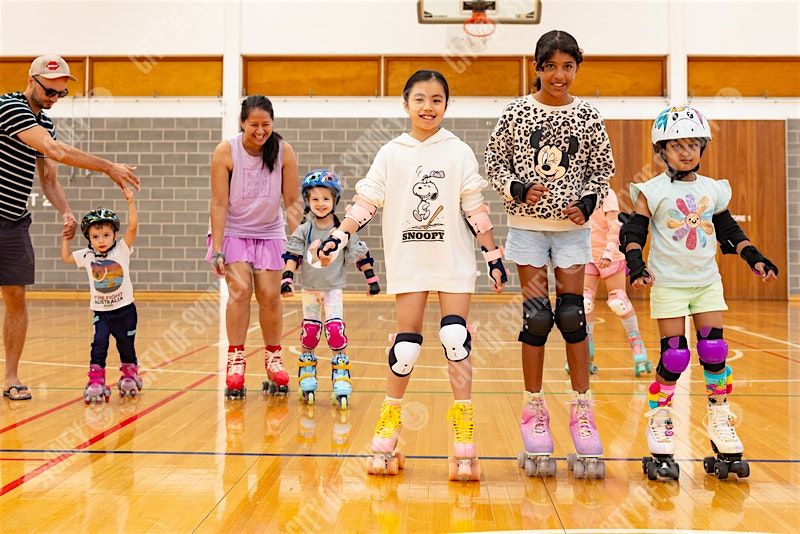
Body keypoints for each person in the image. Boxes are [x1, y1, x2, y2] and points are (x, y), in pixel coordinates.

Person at [317, 70, 507, 480]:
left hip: (452, 258)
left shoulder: (457, 151)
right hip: (408, 260)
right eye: (419, 99)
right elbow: (367, 200)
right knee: (406, 347)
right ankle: (390, 422)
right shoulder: (392, 152)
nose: (428, 107)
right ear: (405, 105)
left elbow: (475, 207)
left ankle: (464, 428)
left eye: (437, 100)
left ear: (446, 105)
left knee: (456, 338)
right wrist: (339, 234)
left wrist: (492, 253)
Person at [621, 105, 778, 481]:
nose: (686, 152)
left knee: (714, 350)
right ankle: (660, 420)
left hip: (707, 281)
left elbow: (729, 231)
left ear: (702, 148)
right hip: (669, 284)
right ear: (662, 151)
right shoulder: (652, 190)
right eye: (677, 145)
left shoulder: (713, 189)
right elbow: (634, 233)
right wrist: (636, 265)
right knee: (674, 356)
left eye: (693, 144)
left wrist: (753, 257)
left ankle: (720, 418)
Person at [485, 30, 613, 479]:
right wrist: (516, 187)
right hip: (529, 232)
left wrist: (591, 202)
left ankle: (583, 410)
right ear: (537, 67)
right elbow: (494, 163)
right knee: (538, 317)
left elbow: (602, 170)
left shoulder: (589, 116)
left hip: (572, 235)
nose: (559, 75)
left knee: (574, 318)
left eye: (568, 67)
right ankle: (533, 410)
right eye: (551, 66)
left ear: (577, 69)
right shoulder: (517, 112)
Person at [1, 54, 140, 401]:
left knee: (16, 297)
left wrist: (66, 211)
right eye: (50, 91)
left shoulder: (45, 123)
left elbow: (48, 178)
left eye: (61, 93)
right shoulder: (9, 107)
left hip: (15, 222)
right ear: (32, 81)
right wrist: (107, 166)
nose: (54, 99)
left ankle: (11, 377)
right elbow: (53, 149)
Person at [208, 95, 300, 399]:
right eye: (254, 125)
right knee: (240, 292)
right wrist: (218, 246)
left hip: (269, 232)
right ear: (242, 123)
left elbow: (292, 201)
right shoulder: (226, 151)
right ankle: (235, 359)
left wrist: (299, 243)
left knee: (271, 296)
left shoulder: (283, 150)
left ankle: (274, 357)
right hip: (234, 232)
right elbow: (219, 201)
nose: (260, 131)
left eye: (266, 125)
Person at [281, 168, 380, 409]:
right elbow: (293, 254)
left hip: (333, 289)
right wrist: (287, 279)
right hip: (310, 289)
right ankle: (307, 369)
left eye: (326, 198)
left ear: (335, 200)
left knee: (335, 331)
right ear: (308, 201)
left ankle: (340, 372)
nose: (320, 203)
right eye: (315, 199)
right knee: (310, 332)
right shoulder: (304, 230)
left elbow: (360, 254)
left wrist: (371, 280)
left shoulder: (342, 231)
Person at [61, 189, 141, 402]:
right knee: (99, 343)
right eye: (95, 237)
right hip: (102, 312)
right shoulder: (87, 255)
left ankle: (129, 375)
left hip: (125, 309)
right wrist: (66, 238)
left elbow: (133, 226)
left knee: (125, 344)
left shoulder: (122, 250)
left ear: (115, 234)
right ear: (89, 238)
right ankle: (96, 380)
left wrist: (131, 202)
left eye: (106, 235)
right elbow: (67, 257)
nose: (101, 240)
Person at [565, 188, 652, 377]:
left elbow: (615, 225)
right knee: (584, 303)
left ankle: (638, 347)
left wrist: (609, 250)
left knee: (618, 302)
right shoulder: (575, 189)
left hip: (609, 256)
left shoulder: (606, 193)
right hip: (586, 255)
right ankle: (585, 351)